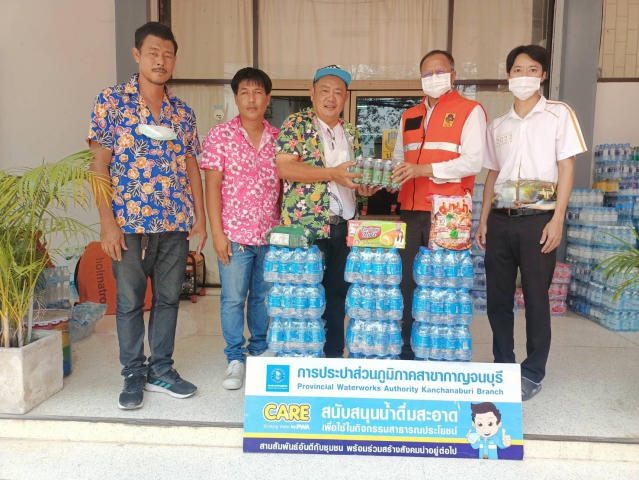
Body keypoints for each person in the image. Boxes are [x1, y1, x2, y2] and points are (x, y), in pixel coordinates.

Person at [88, 22, 207, 410]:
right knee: (129, 302)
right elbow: (98, 165)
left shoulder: (182, 112)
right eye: (154, 53)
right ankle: (133, 373)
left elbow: (192, 167)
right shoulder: (111, 101)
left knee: (169, 299)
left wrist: (200, 218)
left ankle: (161, 370)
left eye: (168, 55)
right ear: (137, 55)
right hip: (128, 224)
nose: (161, 61)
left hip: (175, 221)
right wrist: (107, 222)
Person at [475, 45, 585, 401]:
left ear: (544, 75)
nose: (525, 76)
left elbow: (567, 166)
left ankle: (533, 371)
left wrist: (558, 219)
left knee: (537, 299)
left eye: (532, 70)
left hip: (539, 221)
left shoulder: (558, 114)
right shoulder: (498, 125)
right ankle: (503, 365)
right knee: (497, 299)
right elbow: (492, 174)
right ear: (509, 76)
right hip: (501, 220)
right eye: (518, 70)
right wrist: (483, 219)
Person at [276, 65, 378, 358]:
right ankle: (303, 359)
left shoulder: (351, 132)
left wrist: (365, 188)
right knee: (303, 296)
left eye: (338, 92)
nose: (331, 98)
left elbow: (354, 179)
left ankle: (332, 357)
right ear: (312, 93)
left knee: (337, 295)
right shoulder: (296, 124)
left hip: (344, 226)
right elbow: (285, 168)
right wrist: (332, 173)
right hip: (306, 228)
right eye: (325, 90)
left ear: (345, 98)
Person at [391, 50, 487, 360]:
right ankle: (408, 349)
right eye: (427, 73)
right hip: (410, 210)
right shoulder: (409, 115)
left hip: (448, 214)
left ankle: (439, 351)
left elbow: (473, 161)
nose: (433, 78)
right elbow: (399, 161)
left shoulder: (470, 110)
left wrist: (424, 170)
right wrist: (381, 179)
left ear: (453, 75)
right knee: (407, 283)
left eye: (440, 72)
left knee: (444, 284)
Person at [201, 68, 280, 390]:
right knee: (233, 299)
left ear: (268, 98)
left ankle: (259, 350)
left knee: (262, 298)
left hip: (270, 235)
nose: (251, 99)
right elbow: (212, 188)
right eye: (245, 92)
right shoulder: (220, 136)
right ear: (236, 98)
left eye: (258, 92)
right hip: (234, 236)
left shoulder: (278, 138)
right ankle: (235, 357)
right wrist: (217, 233)